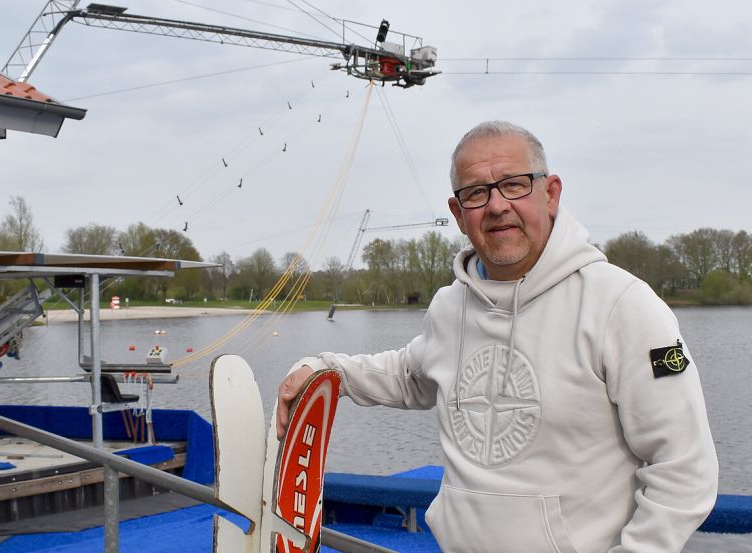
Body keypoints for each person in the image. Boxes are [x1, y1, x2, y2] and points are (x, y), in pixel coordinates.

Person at [277, 121, 718, 552]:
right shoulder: (450, 306)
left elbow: (685, 470)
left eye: (514, 184)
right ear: (458, 213)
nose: (496, 205)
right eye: (476, 193)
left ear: (550, 193)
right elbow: (410, 376)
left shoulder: (620, 305)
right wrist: (325, 370)